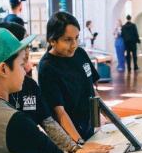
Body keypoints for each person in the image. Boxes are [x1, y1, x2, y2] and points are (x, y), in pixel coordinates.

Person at [39, 12, 103, 145]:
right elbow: (59, 112)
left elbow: (91, 89)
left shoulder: (80, 53)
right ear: (52, 40)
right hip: (68, 138)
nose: (74, 44)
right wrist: (79, 144)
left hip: (88, 129)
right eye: (67, 40)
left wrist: (115, 120)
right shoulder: (47, 67)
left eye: (77, 38)